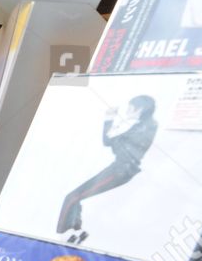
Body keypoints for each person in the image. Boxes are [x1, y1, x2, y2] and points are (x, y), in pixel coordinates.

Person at [57, 96, 158, 246]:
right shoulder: (143, 125)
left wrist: (112, 123)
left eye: (131, 108)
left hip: (120, 170)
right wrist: (111, 122)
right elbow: (110, 141)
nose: (128, 111)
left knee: (72, 197)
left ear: (140, 109)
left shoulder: (144, 127)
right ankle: (76, 231)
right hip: (121, 169)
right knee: (75, 197)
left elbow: (112, 141)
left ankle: (62, 233)